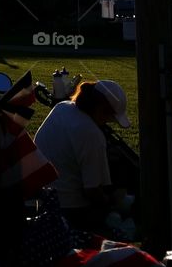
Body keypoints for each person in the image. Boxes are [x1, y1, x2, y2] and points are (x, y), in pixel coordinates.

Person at [33, 78, 131, 231]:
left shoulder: (62, 108)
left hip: (43, 199)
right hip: (70, 209)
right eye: (109, 118)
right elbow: (92, 192)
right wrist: (112, 203)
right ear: (101, 110)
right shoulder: (91, 134)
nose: (107, 123)